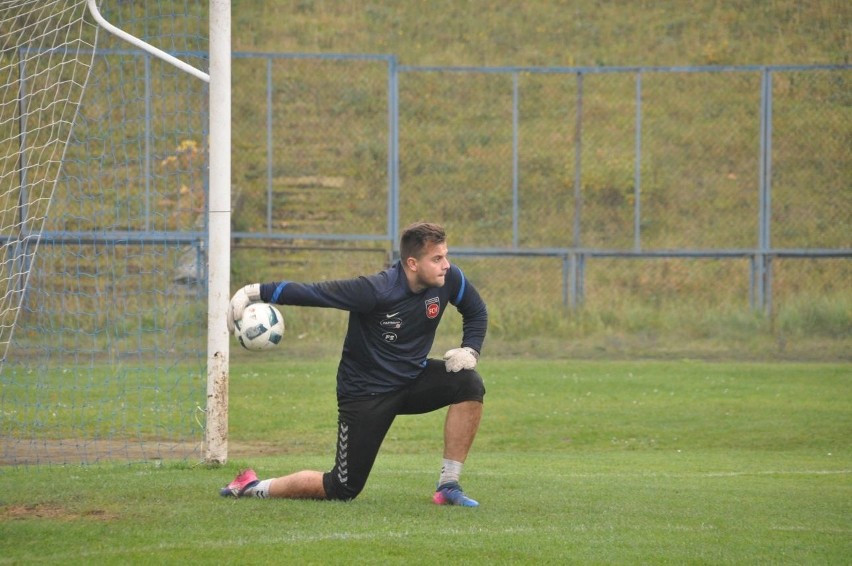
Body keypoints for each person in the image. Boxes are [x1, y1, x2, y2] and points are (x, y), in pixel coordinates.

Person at [220, 221, 487, 507]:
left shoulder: (450, 280)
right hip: (365, 394)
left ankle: (448, 485)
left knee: (468, 383)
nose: (446, 264)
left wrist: (470, 349)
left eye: (445, 255)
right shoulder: (377, 290)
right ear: (412, 263)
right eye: (437, 258)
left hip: (412, 379)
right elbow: (316, 293)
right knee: (342, 487)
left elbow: (476, 311)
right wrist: (254, 291)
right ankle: (252, 485)